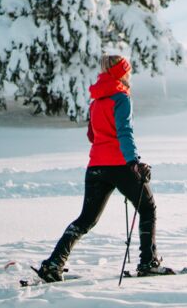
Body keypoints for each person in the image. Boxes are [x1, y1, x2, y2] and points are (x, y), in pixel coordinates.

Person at [36, 54, 167, 282]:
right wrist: (133, 161)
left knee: (85, 220)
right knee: (147, 208)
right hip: (120, 164)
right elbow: (125, 132)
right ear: (122, 73)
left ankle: (53, 264)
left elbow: (91, 135)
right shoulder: (121, 98)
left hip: (96, 165)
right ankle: (148, 262)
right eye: (128, 71)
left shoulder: (96, 99)